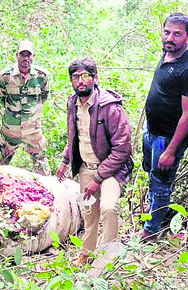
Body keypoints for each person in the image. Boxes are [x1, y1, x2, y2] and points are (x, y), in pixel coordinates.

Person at [56, 57, 134, 267]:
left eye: (85, 76)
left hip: (110, 170)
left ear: (95, 78)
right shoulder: (72, 103)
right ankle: (86, 253)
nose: (80, 81)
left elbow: (123, 148)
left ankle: (107, 256)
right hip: (85, 168)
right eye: (75, 77)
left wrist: (98, 178)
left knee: (108, 208)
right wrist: (65, 160)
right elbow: (74, 135)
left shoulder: (110, 108)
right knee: (89, 213)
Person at [139, 13, 188, 240]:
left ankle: (151, 231)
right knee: (152, 175)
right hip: (152, 131)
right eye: (167, 32)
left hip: (168, 138)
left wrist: (170, 150)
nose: (170, 38)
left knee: (161, 183)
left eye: (177, 34)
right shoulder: (167, 54)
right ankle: (155, 215)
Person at [0, 40, 51, 175]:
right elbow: (1, 97)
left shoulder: (42, 76)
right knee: (1, 168)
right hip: (11, 129)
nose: (25, 58)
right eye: (22, 55)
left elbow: (43, 97)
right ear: (17, 56)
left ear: (33, 56)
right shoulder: (5, 76)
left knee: (42, 168)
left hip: (33, 130)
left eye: (29, 55)